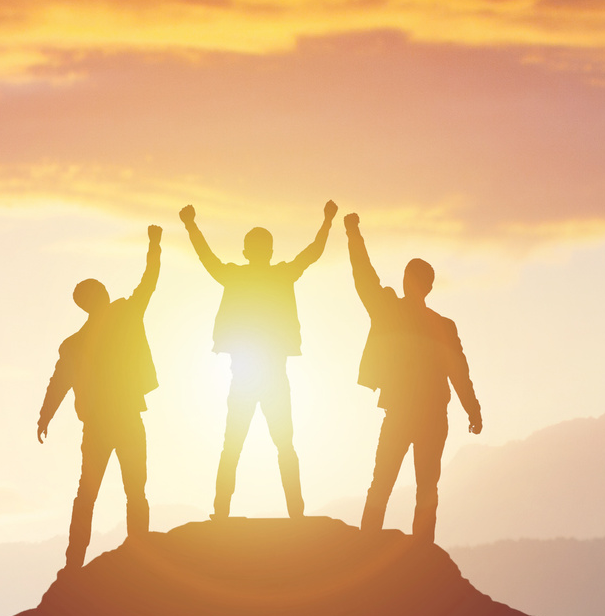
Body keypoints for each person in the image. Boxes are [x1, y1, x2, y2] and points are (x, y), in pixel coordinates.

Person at [181, 200, 336, 520]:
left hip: (247, 374)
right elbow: (312, 252)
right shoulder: (281, 274)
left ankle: (222, 512)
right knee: (282, 445)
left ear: (247, 251)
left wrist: (191, 225)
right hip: (269, 374)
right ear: (267, 250)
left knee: (235, 444)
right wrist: (327, 221)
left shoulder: (236, 276)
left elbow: (206, 258)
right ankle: (294, 514)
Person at [344, 213, 483, 544]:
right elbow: (459, 373)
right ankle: (419, 552)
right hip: (429, 415)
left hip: (412, 413)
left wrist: (353, 233)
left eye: (410, 278)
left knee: (391, 483)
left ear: (416, 284)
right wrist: (473, 410)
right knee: (420, 486)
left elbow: (364, 277)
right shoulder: (437, 324)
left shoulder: (395, 312)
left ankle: (373, 548)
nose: (407, 283)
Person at [38, 225, 162, 576]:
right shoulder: (119, 317)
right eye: (100, 292)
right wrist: (154, 246)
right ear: (92, 301)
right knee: (128, 489)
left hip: (101, 423)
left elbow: (58, 383)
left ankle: (75, 562)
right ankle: (126, 553)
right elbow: (148, 284)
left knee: (93, 493)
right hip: (118, 419)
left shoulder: (77, 341)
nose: (107, 293)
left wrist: (44, 417)